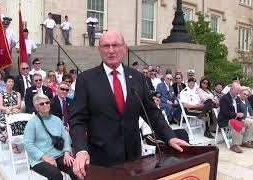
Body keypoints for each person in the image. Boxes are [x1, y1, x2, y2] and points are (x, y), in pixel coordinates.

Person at [69, 31, 188, 179]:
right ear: (99, 50)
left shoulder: (137, 78)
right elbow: (77, 119)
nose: (111, 50)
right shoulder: (86, 79)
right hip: (102, 159)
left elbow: (151, 112)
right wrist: (81, 150)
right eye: (106, 46)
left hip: (133, 157)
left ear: (124, 48)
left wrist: (170, 136)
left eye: (115, 45)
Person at [24, 94, 77, 180]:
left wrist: (67, 152)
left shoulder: (56, 119)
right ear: (37, 107)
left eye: (47, 102)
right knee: (56, 175)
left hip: (59, 154)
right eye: (41, 104)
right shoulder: (32, 123)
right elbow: (28, 144)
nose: (45, 105)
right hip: (40, 159)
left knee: (76, 169)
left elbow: (65, 138)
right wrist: (44, 157)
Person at [218, 82, 253, 153]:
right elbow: (224, 112)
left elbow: (240, 110)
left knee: (251, 123)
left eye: (239, 90)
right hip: (225, 119)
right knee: (236, 124)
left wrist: (242, 118)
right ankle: (234, 145)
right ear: (231, 89)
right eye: (237, 90)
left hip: (236, 118)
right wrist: (236, 115)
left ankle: (245, 141)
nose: (238, 92)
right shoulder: (224, 98)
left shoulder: (237, 98)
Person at [0, 75, 23, 153]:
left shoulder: (17, 93)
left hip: (14, 113)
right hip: (4, 114)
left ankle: (5, 136)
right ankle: (14, 145)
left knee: (14, 117)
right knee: (13, 120)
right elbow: (1, 107)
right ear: (5, 83)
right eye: (9, 81)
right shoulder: (1, 94)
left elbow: (19, 105)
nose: (11, 83)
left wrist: (11, 108)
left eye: (12, 82)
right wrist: (8, 110)